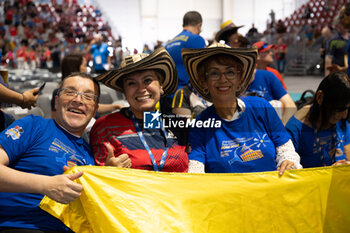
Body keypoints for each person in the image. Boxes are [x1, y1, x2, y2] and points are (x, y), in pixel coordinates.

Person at [181, 43, 301, 174]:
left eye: (230, 72)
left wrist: (288, 162)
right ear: (204, 80)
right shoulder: (200, 125)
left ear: (240, 77)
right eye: (214, 73)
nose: (223, 79)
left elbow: (287, 151)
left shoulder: (261, 106)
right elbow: (195, 170)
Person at [0, 73, 99, 232]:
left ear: (95, 110)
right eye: (70, 92)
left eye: (88, 96)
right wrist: (46, 185)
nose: (78, 100)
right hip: (18, 225)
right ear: (57, 101)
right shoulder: (33, 126)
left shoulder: (91, 155)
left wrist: (110, 171)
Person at [90, 47, 188, 172]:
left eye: (147, 80)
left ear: (161, 86)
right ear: (124, 92)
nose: (141, 88)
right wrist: (108, 171)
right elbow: (99, 182)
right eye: (131, 83)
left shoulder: (179, 125)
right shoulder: (105, 128)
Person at [286, 72, 350, 168]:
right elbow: (291, 173)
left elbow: (348, 152)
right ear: (320, 97)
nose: (344, 115)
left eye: (347, 109)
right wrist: (329, 172)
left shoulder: (340, 121)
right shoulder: (296, 128)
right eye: (339, 109)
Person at [51, 53, 123, 118]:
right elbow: (55, 118)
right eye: (85, 65)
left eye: (88, 97)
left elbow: (95, 107)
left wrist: (115, 106)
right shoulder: (58, 92)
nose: (87, 69)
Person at [164, 11, 206, 114]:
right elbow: (203, 67)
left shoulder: (169, 43)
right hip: (184, 99)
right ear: (199, 25)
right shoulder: (196, 39)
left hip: (166, 96)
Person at [245, 59, 297, 125]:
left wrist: (282, 128)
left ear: (254, 67)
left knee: (276, 104)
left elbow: (290, 105)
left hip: (268, 125)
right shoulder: (233, 82)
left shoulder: (268, 76)